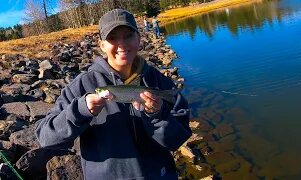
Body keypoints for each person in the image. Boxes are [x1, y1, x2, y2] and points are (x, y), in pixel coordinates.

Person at [35, 8, 191, 180]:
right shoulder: (82, 85)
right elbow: (45, 138)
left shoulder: (160, 82)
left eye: (128, 36)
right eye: (112, 38)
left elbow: (178, 139)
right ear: (102, 45)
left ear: (139, 38)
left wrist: (158, 114)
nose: (122, 45)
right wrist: (80, 111)